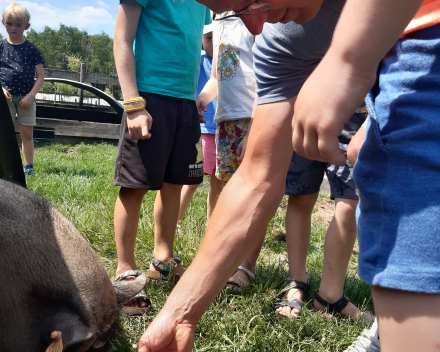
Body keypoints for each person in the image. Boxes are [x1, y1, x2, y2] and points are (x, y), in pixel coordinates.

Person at [138, 0, 439, 351]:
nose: (254, 27)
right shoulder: (281, 36)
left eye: (251, 0)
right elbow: (256, 177)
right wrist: (179, 314)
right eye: (235, 14)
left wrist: (347, 63)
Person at [112, 0, 211, 313]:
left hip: (186, 102)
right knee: (134, 185)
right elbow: (122, 39)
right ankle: (125, 269)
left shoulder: (203, 4)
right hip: (148, 97)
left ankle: (163, 259)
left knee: (175, 185)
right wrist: (133, 104)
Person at [195, 12, 259, 289]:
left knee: (252, 192)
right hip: (225, 119)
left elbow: (267, 76)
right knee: (219, 185)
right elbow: (216, 76)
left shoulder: (256, 19)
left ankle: (247, 264)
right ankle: (216, 249)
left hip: (251, 117)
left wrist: (256, 127)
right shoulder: (219, 23)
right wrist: (202, 99)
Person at [178, 24, 221, 224]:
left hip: (224, 129)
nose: (213, 42)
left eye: (216, 37)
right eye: (209, 38)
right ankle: (175, 219)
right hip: (204, 131)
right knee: (193, 180)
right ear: (201, 41)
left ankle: (211, 226)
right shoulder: (199, 62)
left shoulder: (228, 62)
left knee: (218, 183)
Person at [0, 2, 44, 176]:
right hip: (5, 98)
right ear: (3, 22)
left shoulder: (32, 49)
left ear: (26, 26)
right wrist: (1, 90)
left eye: (18, 24)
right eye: (9, 23)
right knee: (4, 134)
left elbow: (40, 77)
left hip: (27, 99)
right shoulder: (1, 47)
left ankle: (28, 167)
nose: (13, 27)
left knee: (26, 134)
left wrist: (30, 96)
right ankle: (5, 166)